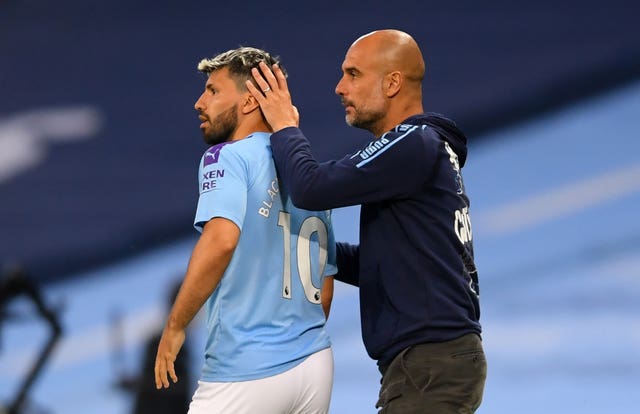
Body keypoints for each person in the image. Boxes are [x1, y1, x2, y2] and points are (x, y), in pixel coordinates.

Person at [246, 30, 487, 413]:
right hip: (429, 364)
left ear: (392, 83)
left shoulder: (412, 144)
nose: (340, 87)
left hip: (428, 366)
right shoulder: (423, 149)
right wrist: (309, 249)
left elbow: (311, 186)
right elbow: (390, 261)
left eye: (353, 74)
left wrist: (283, 125)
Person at [154, 47, 337, 414]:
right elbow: (324, 283)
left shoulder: (226, 157)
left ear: (251, 100)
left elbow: (220, 241)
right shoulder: (307, 169)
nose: (199, 102)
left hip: (245, 372)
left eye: (213, 91)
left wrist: (176, 326)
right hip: (315, 363)